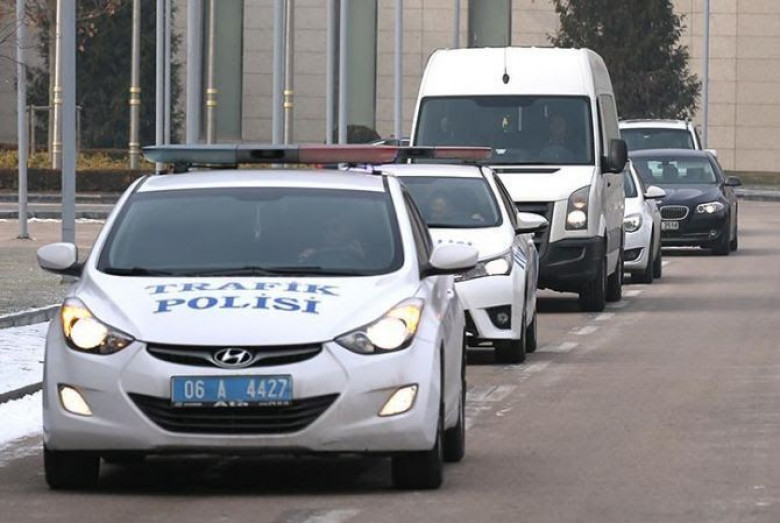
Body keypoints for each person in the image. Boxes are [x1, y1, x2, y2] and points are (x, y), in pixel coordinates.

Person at [297, 215, 366, 265]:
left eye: (335, 228)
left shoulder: (361, 248)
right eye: (325, 229)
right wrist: (304, 260)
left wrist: (360, 257)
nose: (330, 232)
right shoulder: (311, 252)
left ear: (348, 230)